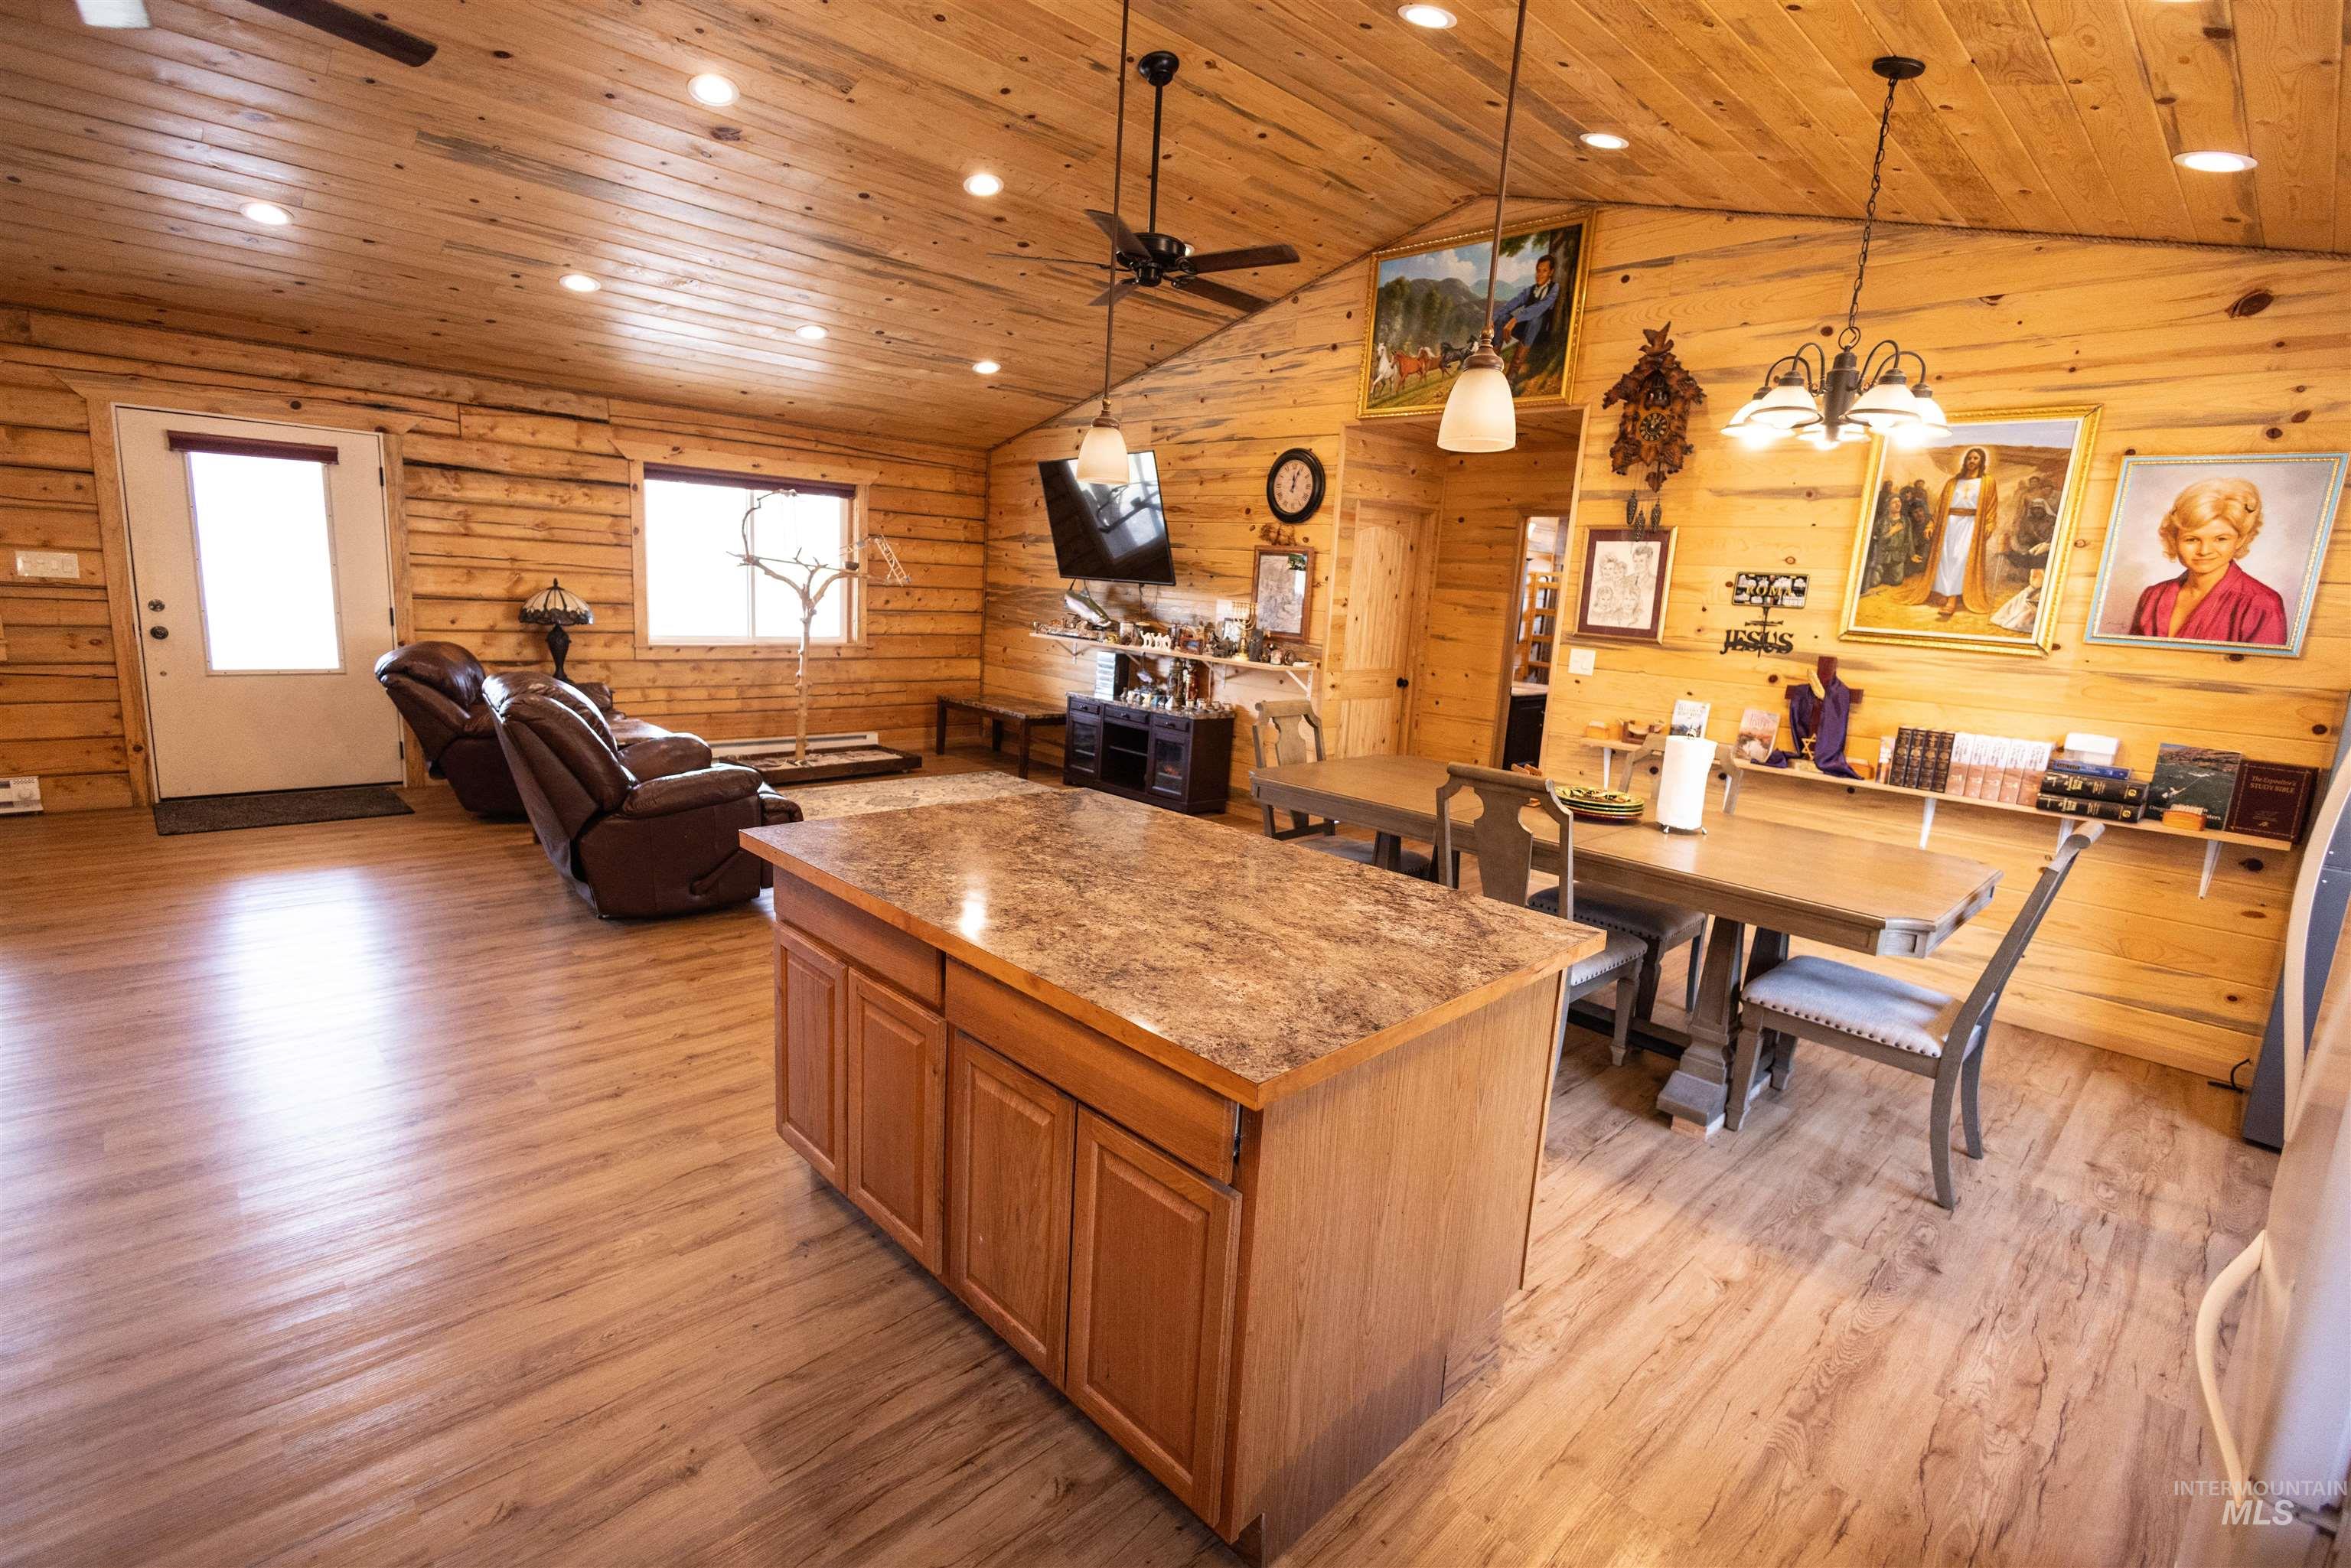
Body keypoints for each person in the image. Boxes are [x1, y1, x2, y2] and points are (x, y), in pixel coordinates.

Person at [2126, 476, 2290, 644]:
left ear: (2240, 540)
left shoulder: (2261, 603)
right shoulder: (2153, 595)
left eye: (2221, 539)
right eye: (2192, 539)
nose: (2204, 551)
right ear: (2174, 540)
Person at [1894, 447, 1998, 618]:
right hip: (1949, 524)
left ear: (1982, 462)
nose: (1972, 461)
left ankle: (1952, 600)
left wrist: (1989, 523)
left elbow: (1991, 506)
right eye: (1969, 458)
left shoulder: (1988, 482)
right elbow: (1940, 507)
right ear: (1965, 461)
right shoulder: (1953, 482)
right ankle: (1946, 592)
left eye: (1976, 458)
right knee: (1946, 559)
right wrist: (1931, 525)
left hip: (1971, 524)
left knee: (1960, 558)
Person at [1491, 253, 1558, 373]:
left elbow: (1540, 307)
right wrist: (1493, 318)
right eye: (1538, 271)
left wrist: (1515, 319)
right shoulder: (1530, 290)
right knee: (1502, 318)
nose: (1540, 275)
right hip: (1524, 331)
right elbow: (1511, 304)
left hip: (1540, 333)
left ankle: (1512, 375)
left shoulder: (1554, 288)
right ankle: (1493, 365)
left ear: (1551, 273)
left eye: (1544, 271)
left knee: (1536, 319)